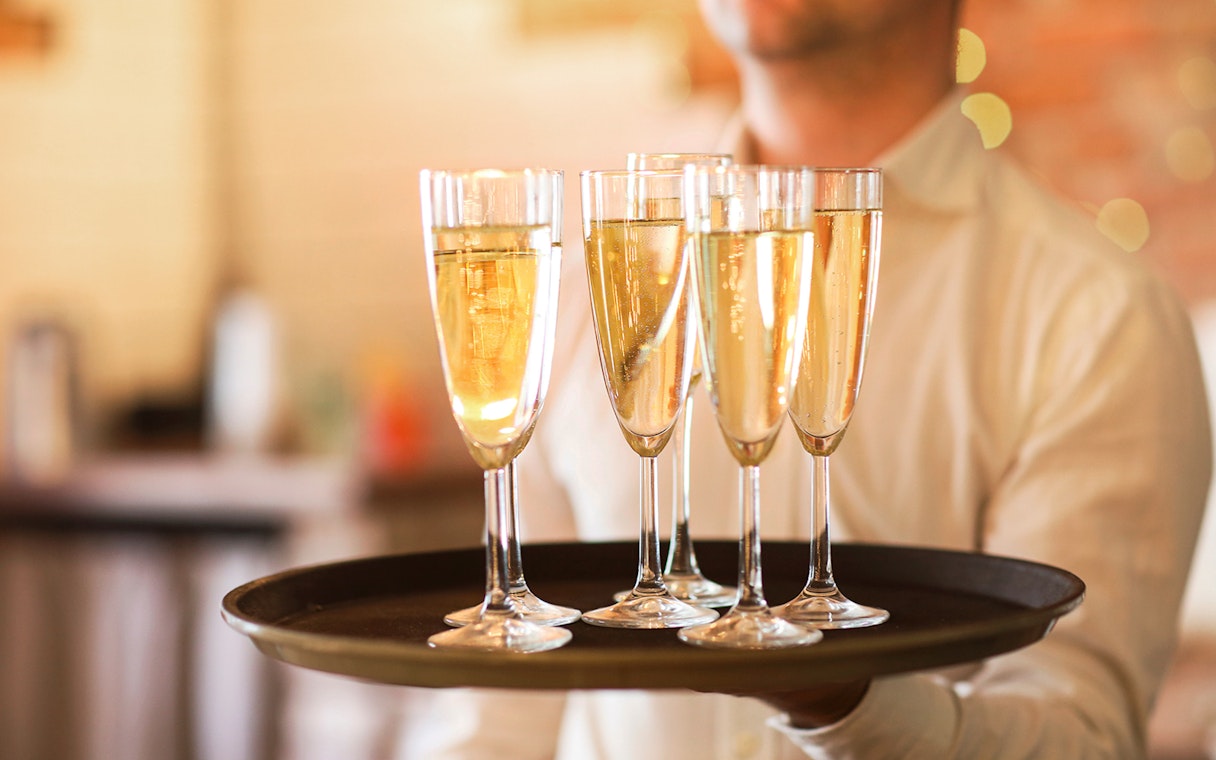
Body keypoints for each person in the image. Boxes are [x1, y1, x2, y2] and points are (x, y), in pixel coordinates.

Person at [397, 0, 1213, 756]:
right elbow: (499, 709)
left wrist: (848, 704)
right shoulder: (589, 278)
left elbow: (1080, 735)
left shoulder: (1097, 318)